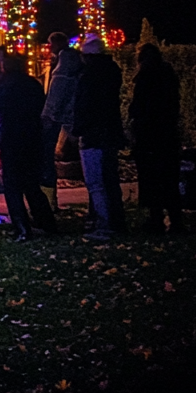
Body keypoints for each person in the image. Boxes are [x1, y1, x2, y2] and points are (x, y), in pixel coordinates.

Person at [0, 52, 57, 240]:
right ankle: (46, 222)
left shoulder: (3, 85)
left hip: (11, 137)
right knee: (31, 183)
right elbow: (41, 106)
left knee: (12, 185)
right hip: (31, 136)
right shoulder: (32, 84)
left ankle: (21, 227)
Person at [72, 33, 128, 239]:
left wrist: (78, 128)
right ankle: (117, 220)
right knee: (110, 180)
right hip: (110, 132)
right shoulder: (112, 71)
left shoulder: (88, 76)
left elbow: (84, 106)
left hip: (93, 135)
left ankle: (105, 225)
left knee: (95, 183)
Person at [129, 43, 185, 234]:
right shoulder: (168, 76)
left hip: (149, 135)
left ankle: (156, 218)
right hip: (167, 134)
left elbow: (137, 107)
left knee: (151, 178)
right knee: (169, 178)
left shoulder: (145, 77)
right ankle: (176, 220)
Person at [40, 33, 83, 210]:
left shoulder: (63, 66)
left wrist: (47, 115)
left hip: (58, 117)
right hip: (72, 115)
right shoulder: (76, 63)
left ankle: (49, 201)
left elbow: (56, 94)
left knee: (47, 156)